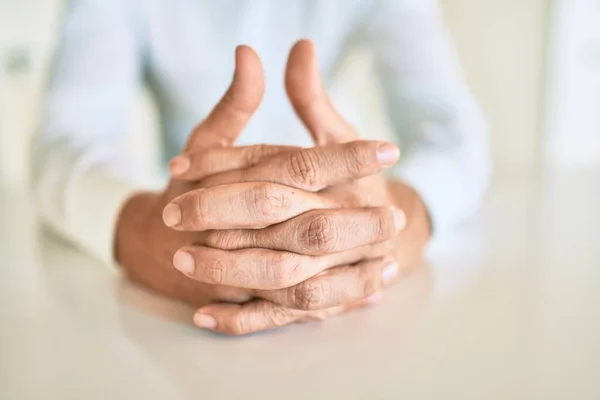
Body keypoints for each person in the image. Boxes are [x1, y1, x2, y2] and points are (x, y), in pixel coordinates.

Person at [33, 0, 490, 335]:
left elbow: (455, 133)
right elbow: (65, 141)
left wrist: (388, 223)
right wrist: (142, 232)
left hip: (342, 256)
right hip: (188, 229)